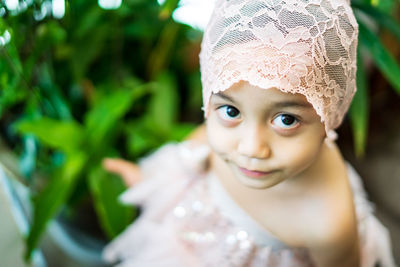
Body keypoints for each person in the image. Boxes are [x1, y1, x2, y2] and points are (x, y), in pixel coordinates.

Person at [102, 0, 397, 266]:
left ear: (330, 118)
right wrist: (147, 181)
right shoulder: (216, 133)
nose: (251, 148)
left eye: (286, 119)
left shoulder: (328, 224)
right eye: (232, 112)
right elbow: (188, 155)